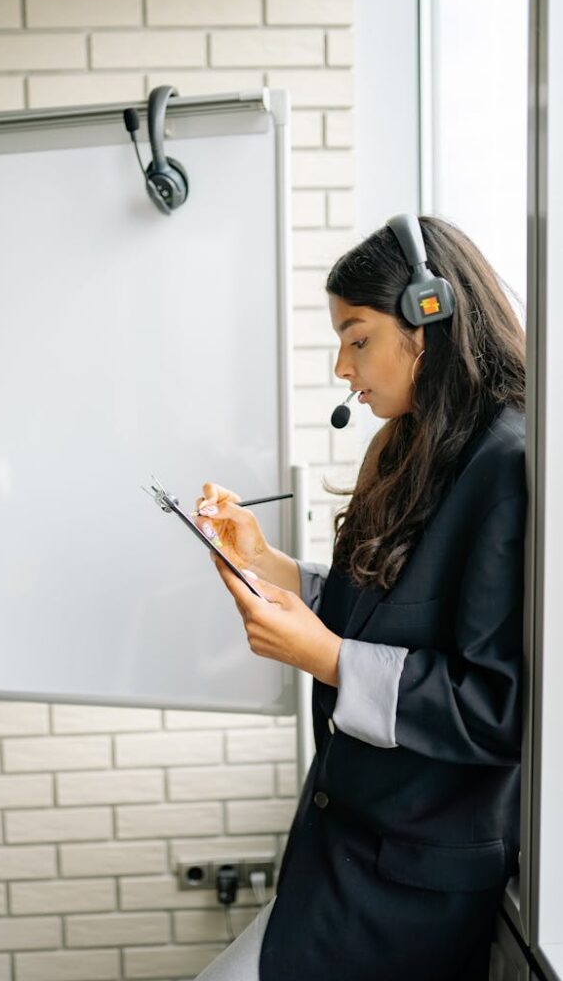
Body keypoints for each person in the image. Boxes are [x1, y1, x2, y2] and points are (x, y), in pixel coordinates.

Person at [192, 214, 527, 981]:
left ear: (429, 315)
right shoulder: (411, 444)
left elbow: (492, 708)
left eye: (357, 337)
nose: (342, 368)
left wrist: (328, 658)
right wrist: (270, 567)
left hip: (409, 889)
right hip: (344, 852)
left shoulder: (503, 466)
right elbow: (386, 606)